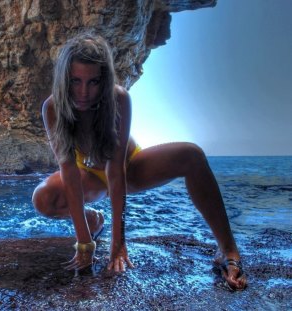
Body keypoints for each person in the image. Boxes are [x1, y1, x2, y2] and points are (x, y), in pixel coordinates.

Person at [32, 33, 247, 290]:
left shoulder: (119, 99)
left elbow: (116, 170)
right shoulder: (53, 108)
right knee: (43, 198)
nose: (84, 92)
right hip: (87, 174)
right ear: (64, 80)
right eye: (75, 81)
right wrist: (84, 242)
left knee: (193, 155)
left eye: (93, 82)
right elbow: (68, 171)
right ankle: (92, 220)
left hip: (128, 168)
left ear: (105, 80)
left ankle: (228, 249)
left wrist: (118, 244)